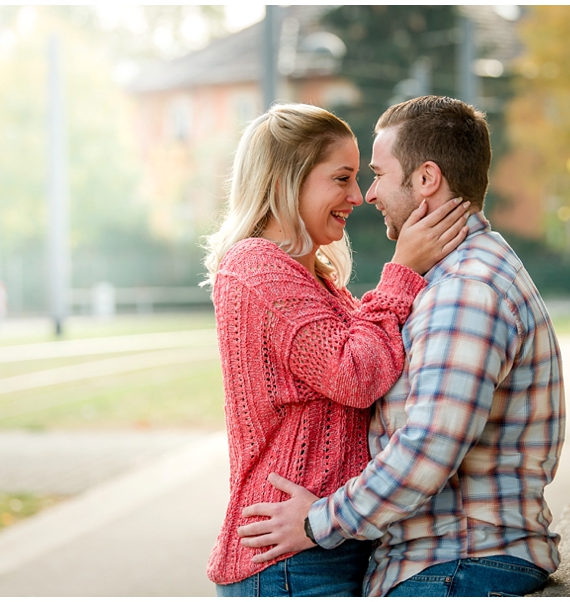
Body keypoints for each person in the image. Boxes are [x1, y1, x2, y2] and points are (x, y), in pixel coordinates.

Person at [237, 95, 566, 597]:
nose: (368, 194)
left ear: (426, 179)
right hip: (447, 561)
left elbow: (427, 448)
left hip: (458, 560)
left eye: (376, 173)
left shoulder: (465, 291)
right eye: (347, 178)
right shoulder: (450, 279)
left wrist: (318, 521)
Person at [201, 102, 471, 597]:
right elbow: (356, 374)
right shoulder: (256, 268)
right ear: (289, 179)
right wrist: (403, 271)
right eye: (341, 179)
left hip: (324, 541)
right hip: (287, 560)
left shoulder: (316, 277)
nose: (357, 196)